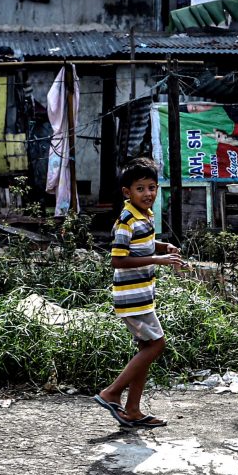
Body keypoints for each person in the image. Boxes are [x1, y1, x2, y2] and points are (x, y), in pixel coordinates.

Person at [93, 157, 183, 430]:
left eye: (152, 188)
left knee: (147, 348)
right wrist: (157, 259)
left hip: (142, 294)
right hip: (131, 297)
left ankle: (132, 410)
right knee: (157, 345)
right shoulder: (127, 219)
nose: (148, 194)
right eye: (140, 189)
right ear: (127, 192)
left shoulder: (145, 216)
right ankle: (111, 393)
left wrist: (163, 246)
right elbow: (117, 259)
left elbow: (142, 244)